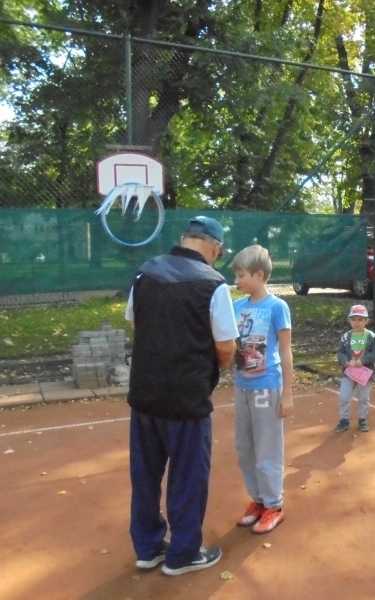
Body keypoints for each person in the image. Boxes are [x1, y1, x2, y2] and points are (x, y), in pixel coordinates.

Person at [125, 216, 238, 576]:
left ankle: (147, 548)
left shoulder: (146, 272)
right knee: (188, 477)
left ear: (184, 239)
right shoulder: (214, 284)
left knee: (144, 476)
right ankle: (184, 553)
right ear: (215, 248)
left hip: (144, 396)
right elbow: (226, 347)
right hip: (187, 400)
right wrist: (211, 368)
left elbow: (134, 321)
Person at [231, 245, 294, 534]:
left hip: (267, 388)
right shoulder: (237, 307)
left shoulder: (277, 307)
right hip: (242, 388)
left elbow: (286, 350)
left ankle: (274, 505)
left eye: (241, 275)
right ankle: (257, 500)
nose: (237, 281)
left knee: (267, 449)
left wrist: (288, 393)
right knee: (245, 448)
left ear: (259, 275)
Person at [334, 304, 375, 433]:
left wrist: (363, 360)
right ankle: (344, 420)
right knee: (344, 396)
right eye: (354, 319)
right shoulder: (346, 337)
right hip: (348, 372)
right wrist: (344, 361)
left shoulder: (371, 337)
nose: (357, 322)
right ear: (349, 320)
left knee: (363, 398)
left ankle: (362, 419)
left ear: (366, 321)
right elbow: (340, 352)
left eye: (360, 319)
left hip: (365, 373)